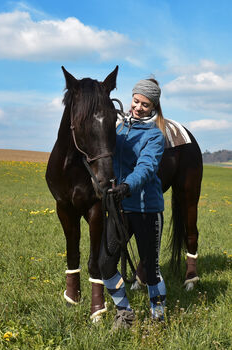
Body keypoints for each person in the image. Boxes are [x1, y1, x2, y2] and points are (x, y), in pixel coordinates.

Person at [98, 77, 166, 330]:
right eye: (136, 101)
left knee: (150, 270)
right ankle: (124, 312)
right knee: (105, 263)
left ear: (154, 108)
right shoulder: (118, 129)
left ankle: (158, 318)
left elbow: (146, 167)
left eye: (145, 105)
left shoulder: (155, 136)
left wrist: (126, 186)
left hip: (147, 210)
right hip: (120, 209)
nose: (138, 107)